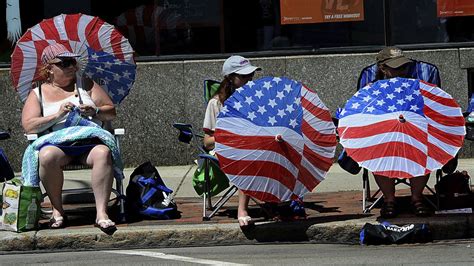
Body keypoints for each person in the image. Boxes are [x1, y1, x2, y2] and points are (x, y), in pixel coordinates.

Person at [21, 43, 117, 232]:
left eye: (73, 62)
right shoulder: (38, 93)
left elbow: (111, 112)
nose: (72, 67)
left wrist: (95, 110)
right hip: (59, 145)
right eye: (65, 63)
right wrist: (56, 116)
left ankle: (102, 213)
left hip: (88, 142)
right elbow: (29, 125)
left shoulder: (86, 84)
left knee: (103, 152)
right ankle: (58, 211)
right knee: (46, 155)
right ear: (49, 68)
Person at [370, 46, 433, 218]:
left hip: (413, 131)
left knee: (424, 148)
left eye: (404, 66)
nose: (402, 71)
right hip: (385, 134)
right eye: (396, 67)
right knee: (378, 152)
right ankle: (389, 199)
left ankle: (417, 198)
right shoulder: (372, 90)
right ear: (383, 68)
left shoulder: (416, 86)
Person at [202, 55, 261, 227]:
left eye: (251, 75)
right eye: (244, 76)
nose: (249, 79)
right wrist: (231, 136)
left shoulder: (256, 101)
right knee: (246, 158)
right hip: (224, 149)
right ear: (230, 78)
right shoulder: (216, 104)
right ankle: (242, 209)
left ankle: (285, 202)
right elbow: (207, 142)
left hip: (250, 146)